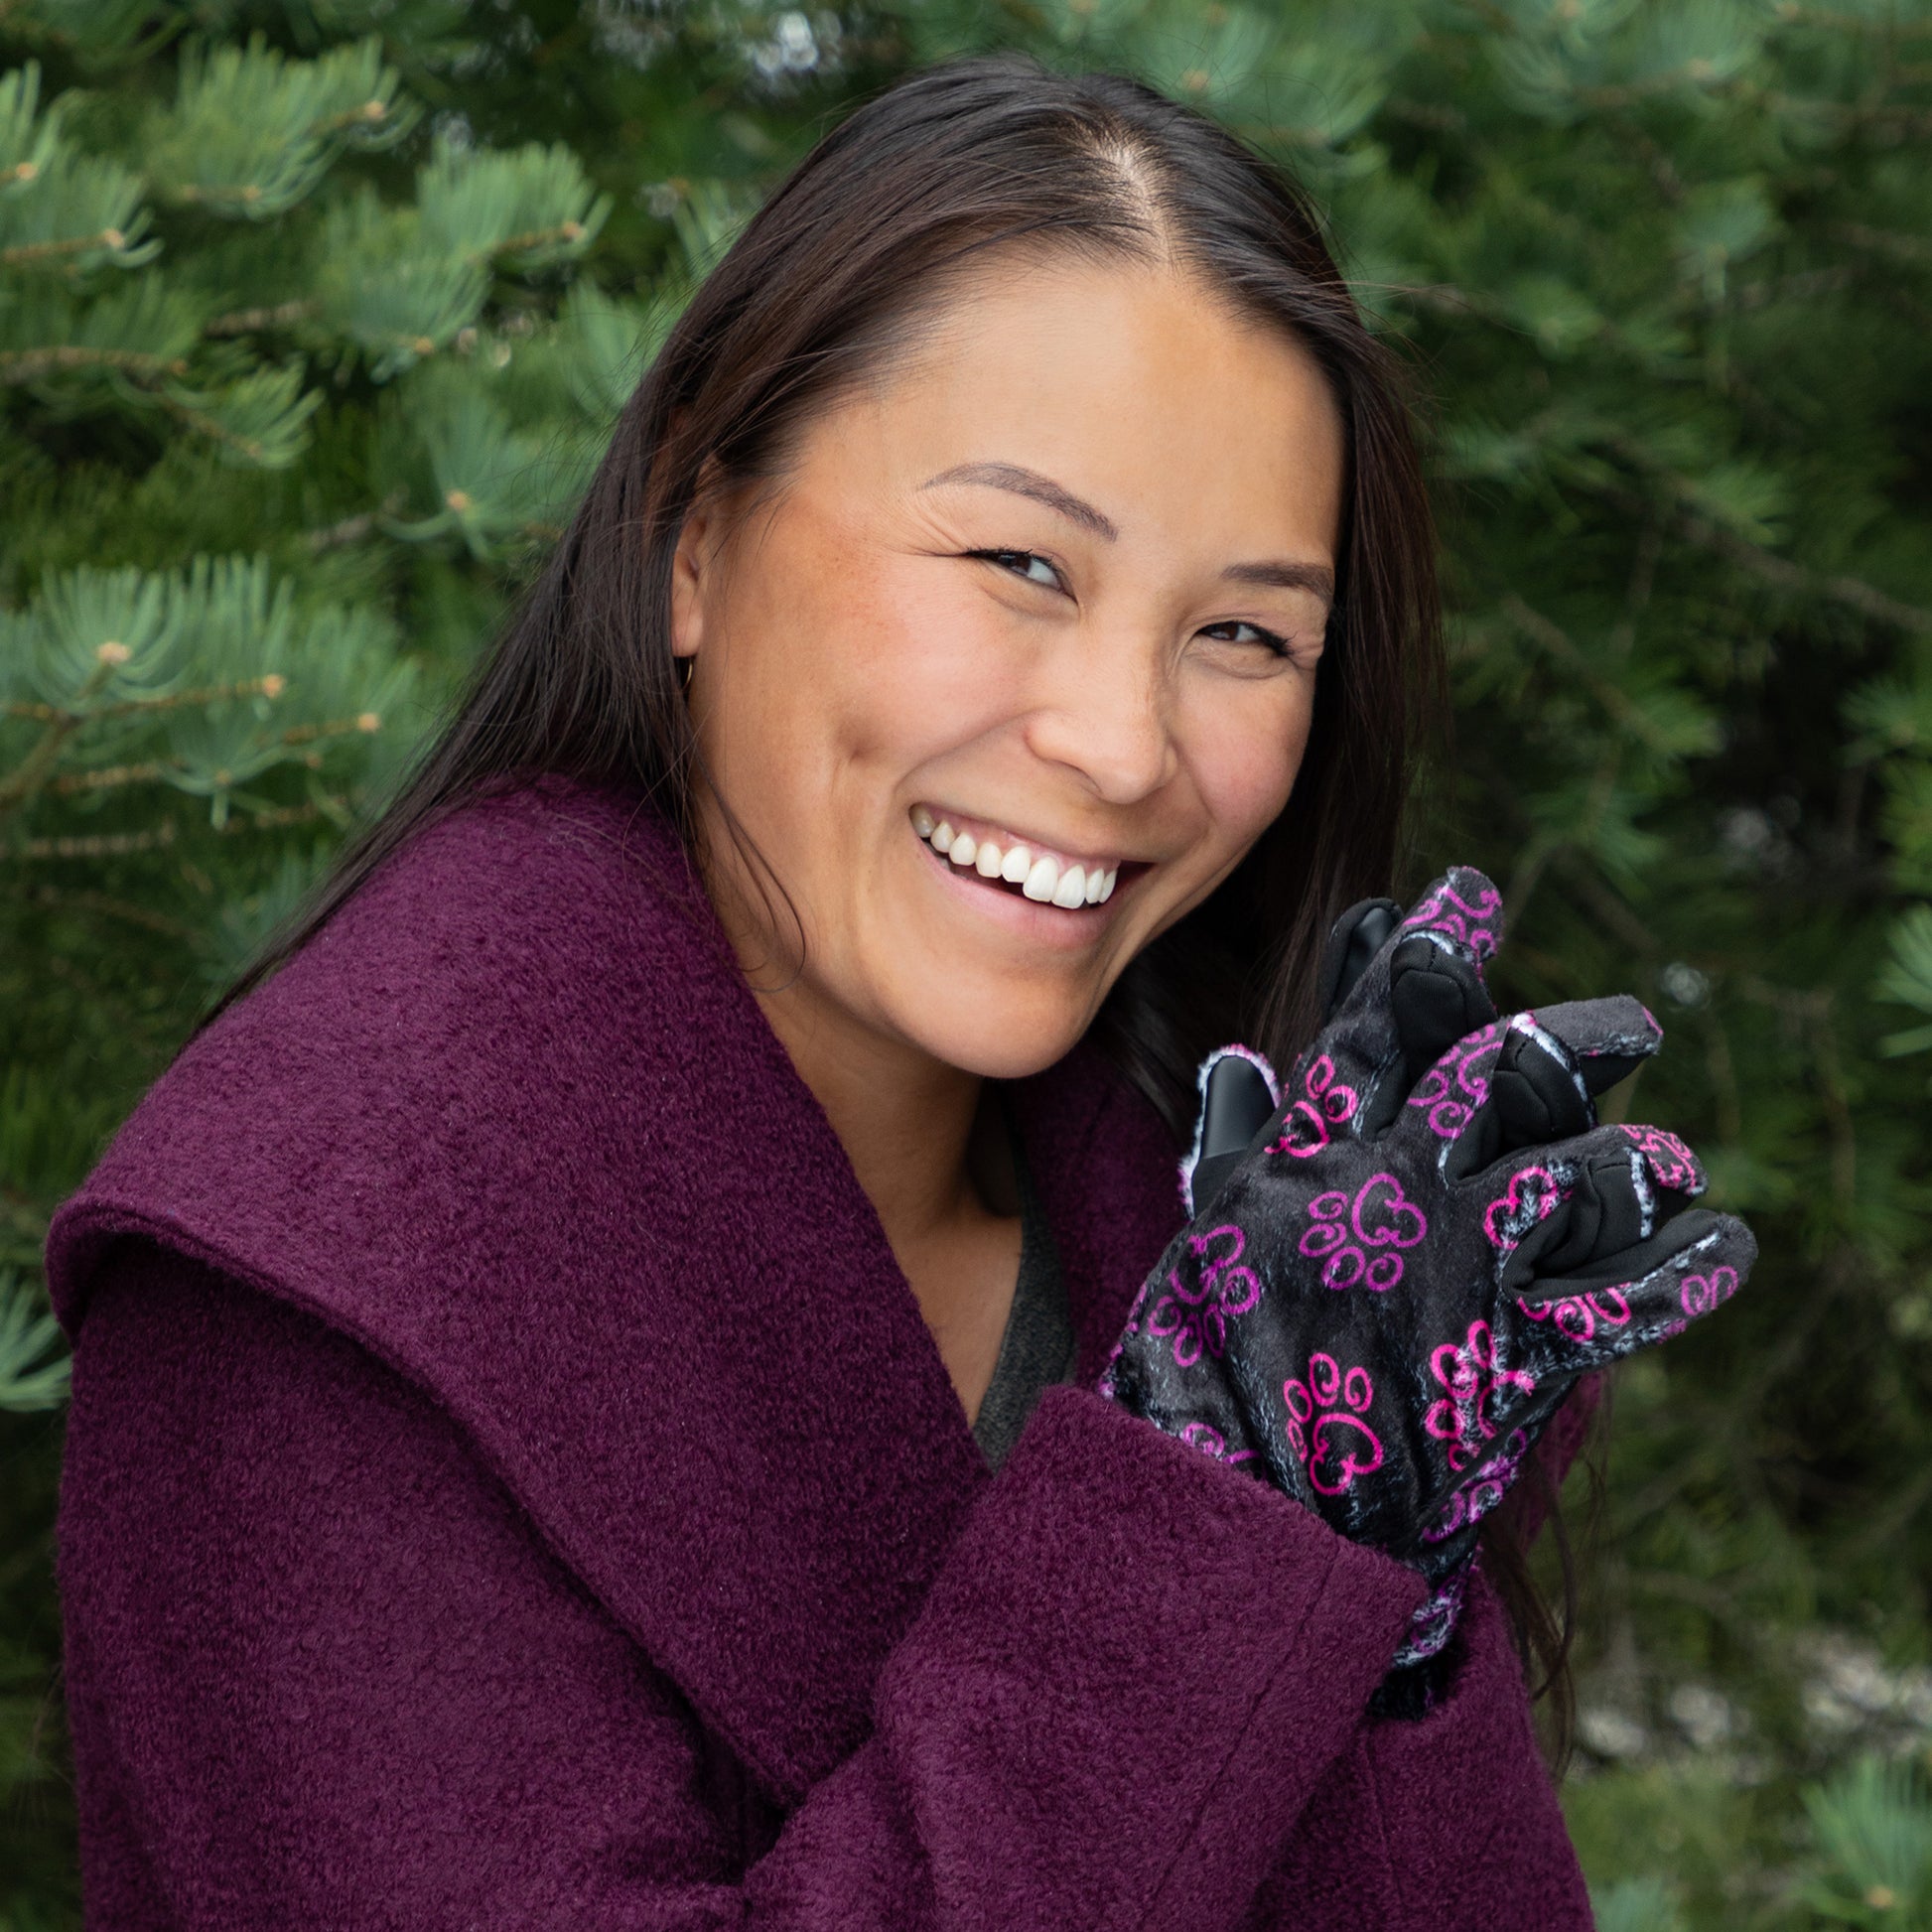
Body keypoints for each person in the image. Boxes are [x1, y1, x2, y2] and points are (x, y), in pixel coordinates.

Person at [46, 56, 1750, 1929]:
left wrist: (1384, 1590)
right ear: (697, 523)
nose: (1117, 745)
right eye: (1019, 561)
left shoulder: (1211, 1241)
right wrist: (1199, 1528)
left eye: (1243, 634)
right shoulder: (315, 1276)